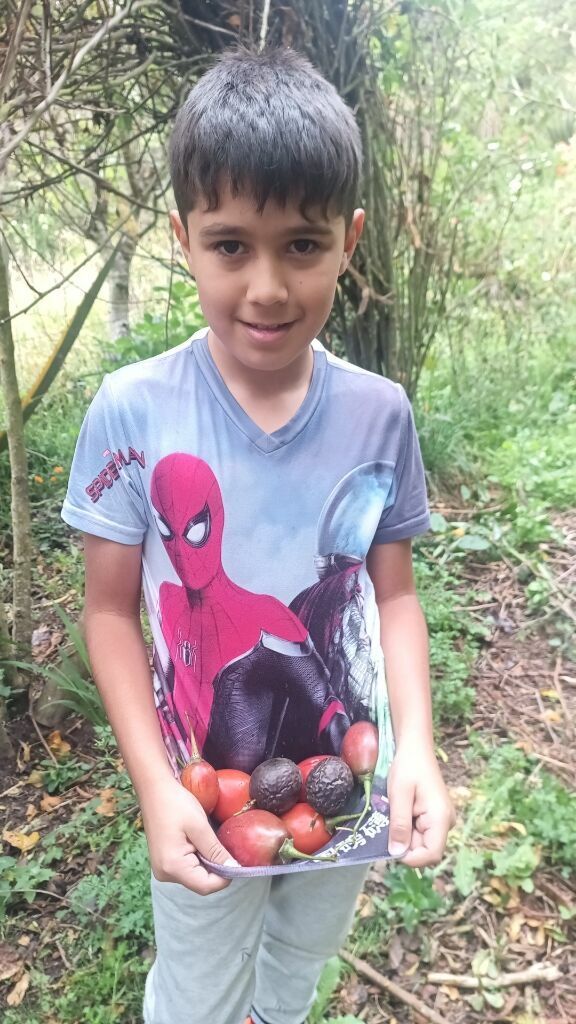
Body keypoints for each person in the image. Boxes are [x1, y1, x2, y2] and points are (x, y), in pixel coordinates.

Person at [61, 45, 455, 1024]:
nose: (268, 287)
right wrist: (155, 786)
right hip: (202, 799)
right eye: (231, 245)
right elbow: (108, 612)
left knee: (297, 963)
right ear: (182, 238)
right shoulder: (133, 412)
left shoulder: (379, 415)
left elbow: (393, 593)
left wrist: (415, 747)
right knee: (198, 990)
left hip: (340, 791)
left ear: (349, 239)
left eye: (303, 245)